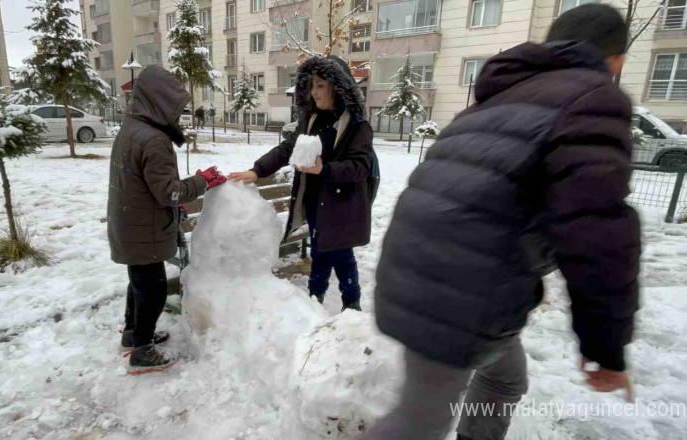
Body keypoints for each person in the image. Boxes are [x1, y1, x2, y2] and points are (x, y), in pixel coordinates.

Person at [364, 5, 640, 440]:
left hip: (436, 273)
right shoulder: (591, 99)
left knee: (503, 379)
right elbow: (596, 233)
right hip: (459, 292)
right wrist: (605, 347)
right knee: (420, 421)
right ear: (616, 60)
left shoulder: (497, 99)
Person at [229, 56, 377, 312]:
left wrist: (325, 169)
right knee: (319, 251)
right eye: (311, 85)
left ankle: (351, 303)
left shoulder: (356, 125)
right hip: (316, 202)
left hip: (343, 205)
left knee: (342, 256)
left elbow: (361, 167)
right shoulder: (311, 120)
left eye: (320, 85)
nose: (314, 92)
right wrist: (257, 170)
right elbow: (288, 148)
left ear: (337, 87)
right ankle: (314, 300)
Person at [108, 65, 226, 369]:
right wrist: (203, 180)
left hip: (131, 223)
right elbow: (169, 192)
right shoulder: (154, 140)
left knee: (139, 283)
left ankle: (134, 334)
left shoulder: (132, 129)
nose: (178, 115)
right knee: (154, 288)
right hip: (144, 228)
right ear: (159, 103)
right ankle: (142, 351)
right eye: (175, 108)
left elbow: (146, 185)